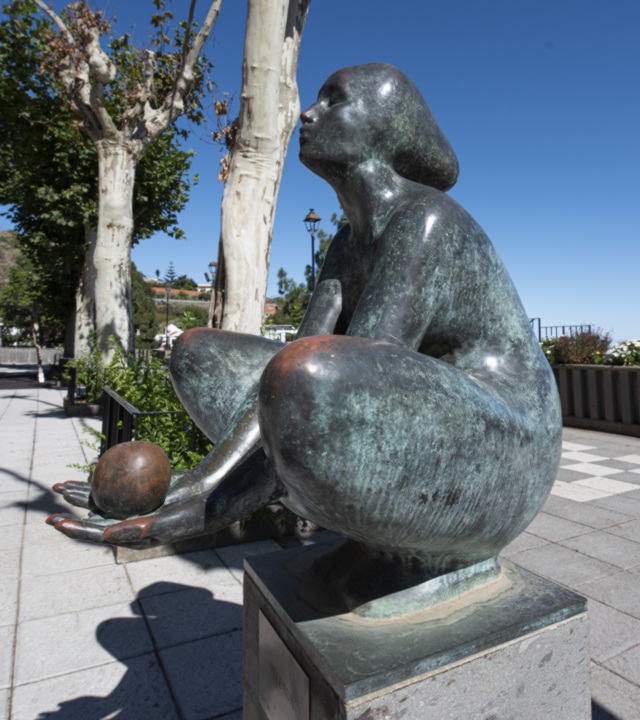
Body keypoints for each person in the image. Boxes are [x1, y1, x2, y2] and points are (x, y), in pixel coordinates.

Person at [48, 63, 561, 576]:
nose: (309, 114)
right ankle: (374, 543)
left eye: (334, 100)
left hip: (510, 448)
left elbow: (351, 387)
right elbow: (292, 367)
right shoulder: (347, 240)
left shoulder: (426, 220)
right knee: (197, 353)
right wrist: (203, 479)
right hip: (435, 416)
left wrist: (214, 506)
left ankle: (434, 557)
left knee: (310, 374)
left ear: (384, 128)